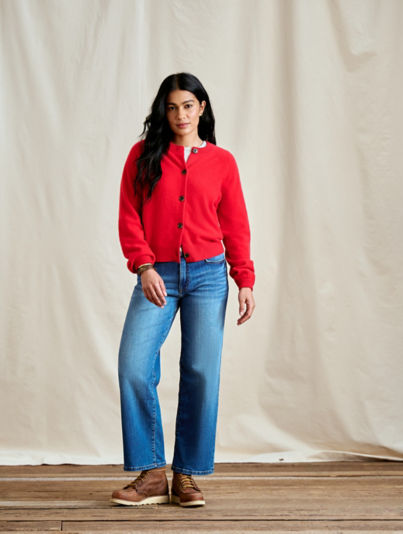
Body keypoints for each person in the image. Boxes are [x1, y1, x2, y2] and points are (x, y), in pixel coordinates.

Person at [111, 72, 255, 507]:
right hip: (159, 274)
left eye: (188, 106)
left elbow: (235, 225)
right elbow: (129, 216)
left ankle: (187, 475)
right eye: (172, 107)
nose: (180, 115)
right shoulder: (142, 156)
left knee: (201, 373)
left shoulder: (222, 162)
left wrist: (244, 279)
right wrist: (144, 265)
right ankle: (153, 474)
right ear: (164, 111)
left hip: (209, 277)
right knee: (134, 365)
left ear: (201, 108)